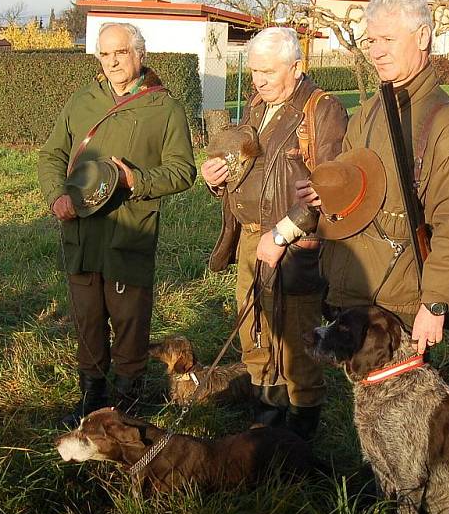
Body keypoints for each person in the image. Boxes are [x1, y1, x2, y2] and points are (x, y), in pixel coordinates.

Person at [295, 0, 449, 355]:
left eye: (387, 39)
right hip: (355, 292)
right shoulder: (369, 112)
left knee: (405, 406)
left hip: (400, 307)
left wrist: (435, 302)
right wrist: (327, 193)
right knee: (367, 407)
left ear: (424, 36)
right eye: (370, 40)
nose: (376, 51)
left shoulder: (445, 124)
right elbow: (353, 187)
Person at [38, 22, 196, 427]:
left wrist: (135, 181)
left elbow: (182, 171)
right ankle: (91, 399)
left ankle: (127, 407)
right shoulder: (82, 101)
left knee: (129, 322)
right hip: (82, 232)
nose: (112, 62)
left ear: (139, 54)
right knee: (88, 317)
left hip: (130, 230)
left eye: (120, 53)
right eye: (104, 54)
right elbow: (52, 155)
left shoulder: (164, 107)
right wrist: (57, 196)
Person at [200, 27, 348, 439]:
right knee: (254, 328)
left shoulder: (322, 110)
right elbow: (247, 168)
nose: (259, 81)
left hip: (296, 244)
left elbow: (333, 189)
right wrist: (217, 178)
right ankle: (268, 415)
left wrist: (282, 233)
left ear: (297, 67)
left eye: (268, 72)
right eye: (253, 73)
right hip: (249, 237)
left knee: (296, 339)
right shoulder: (256, 107)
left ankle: (300, 437)